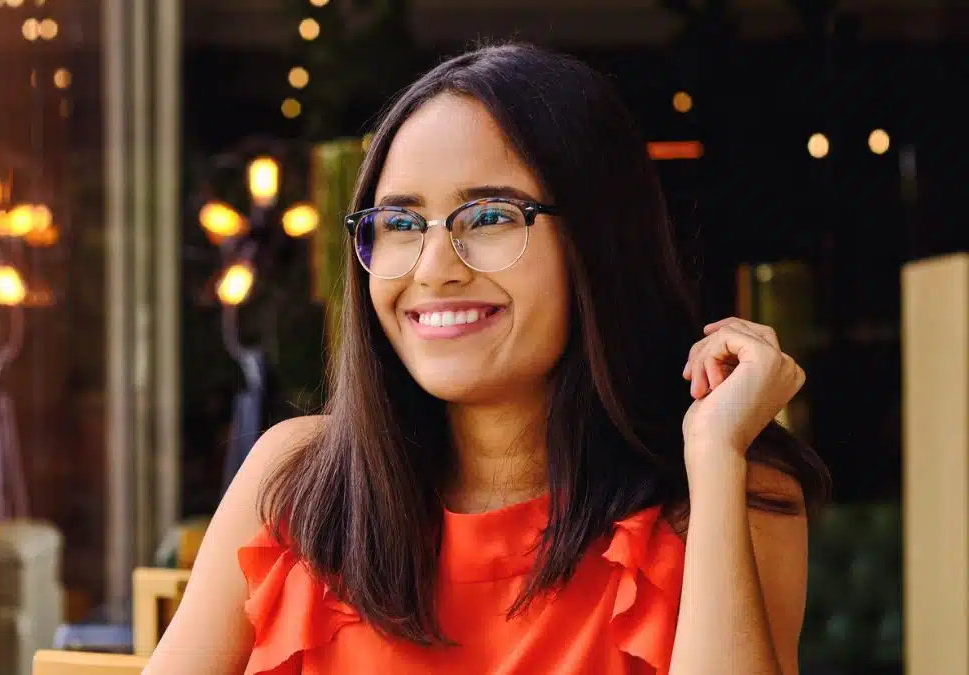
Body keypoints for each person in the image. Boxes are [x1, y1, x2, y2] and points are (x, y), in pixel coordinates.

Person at [148, 42, 830, 675]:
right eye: (400, 224)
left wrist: (713, 453)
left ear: (599, 240)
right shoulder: (297, 484)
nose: (435, 268)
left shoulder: (729, 493)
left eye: (491, 217)